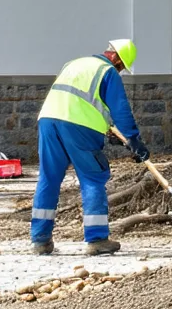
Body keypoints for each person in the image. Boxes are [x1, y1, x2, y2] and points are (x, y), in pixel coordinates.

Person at [31, 39, 149, 256]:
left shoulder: (74, 63)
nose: (120, 71)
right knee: (92, 178)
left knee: (49, 177)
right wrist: (134, 139)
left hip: (48, 120)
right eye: (121, 67)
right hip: (79, 126)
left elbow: (81, 100)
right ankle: (96, 239)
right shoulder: (108, 71)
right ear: (117, 59)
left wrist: (110, 130)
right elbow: (120, 108)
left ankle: (40, 239)